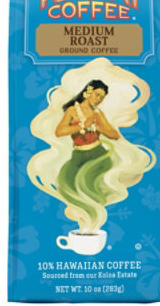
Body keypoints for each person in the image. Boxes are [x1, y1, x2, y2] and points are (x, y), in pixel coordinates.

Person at [54, 80, 119, 229]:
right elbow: (59, 132)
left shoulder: (97, 113)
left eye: (102, 97)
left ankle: (94, 223)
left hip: (98, 155)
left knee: (90, 188)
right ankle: (84, 223)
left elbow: (114, 135)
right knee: (71, 185)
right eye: (97, 95)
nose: (99, 99)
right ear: (88, 92)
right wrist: (83, 124)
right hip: (79, 155)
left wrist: (100, 128)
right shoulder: (72, 111)